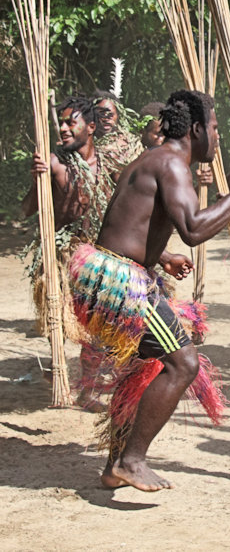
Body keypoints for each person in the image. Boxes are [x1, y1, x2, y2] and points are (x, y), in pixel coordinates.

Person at [68, 89, 230, 492]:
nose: (218, 137)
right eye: (214, 128)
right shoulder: (173, 164)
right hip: (122, 282)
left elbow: (128, 223)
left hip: (107, 273)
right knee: (184, 364)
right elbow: (194, 229)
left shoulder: (151, 160)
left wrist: (161, 258)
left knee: (144, 366)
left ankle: (115, 465)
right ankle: (131, 460)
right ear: (197, 129)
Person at [22, 96, 114, 411]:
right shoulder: (53, 162)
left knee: (97, 328)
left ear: (90, 127)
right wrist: (39, 181)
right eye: (60, 122)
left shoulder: (108, 164)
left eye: (70, 122)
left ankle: (87, 391)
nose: (63, 128)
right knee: (58, 318)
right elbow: (25, 210)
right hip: (62, 256)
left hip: (96, 256)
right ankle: (58, 370)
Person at [92, 90, 144, 180]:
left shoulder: (130, 144)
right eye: (101, 114)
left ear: (118, 115)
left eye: (110, 114)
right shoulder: (88, 144)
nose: (106, 119)